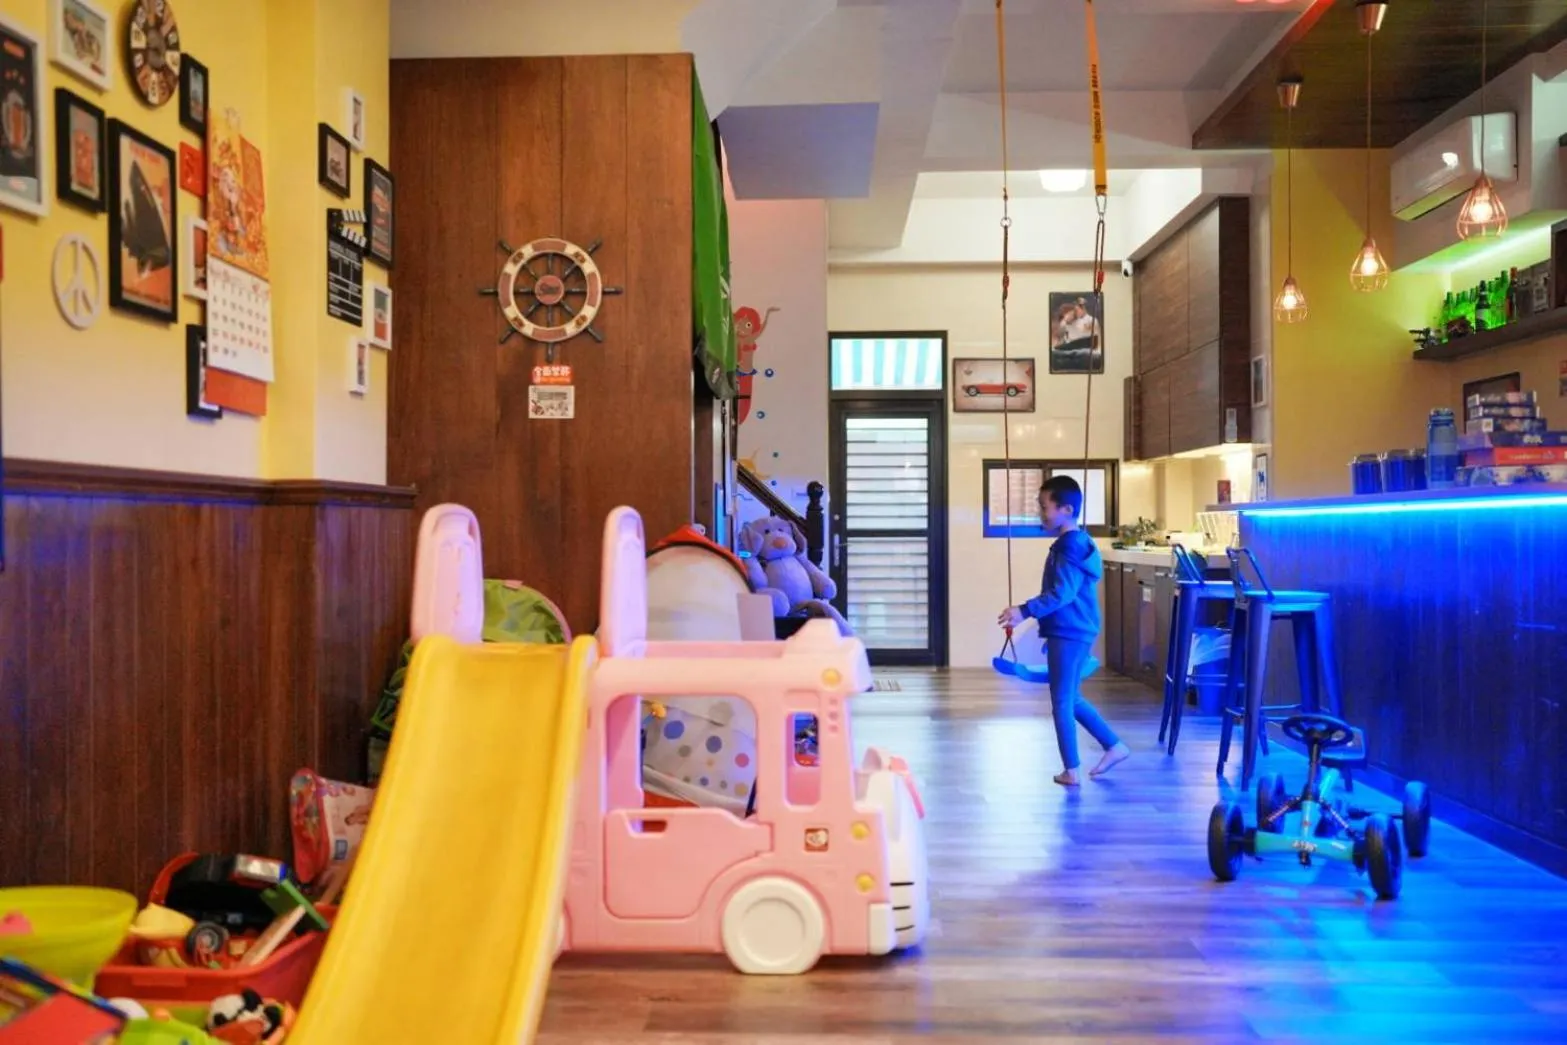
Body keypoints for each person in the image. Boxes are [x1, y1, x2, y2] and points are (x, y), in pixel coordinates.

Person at [998, 475, 1131, 786]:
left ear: (1066, 509)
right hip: (1072, 630)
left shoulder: (1070, 547)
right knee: (1070, 698)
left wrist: (1024, 611)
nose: (1040, 513)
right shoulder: (1075, 543)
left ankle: (1072, 769)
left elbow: (1062, 594)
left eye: (1045, 506)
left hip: (1071, 631)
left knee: (1061, 700)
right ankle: (1114, 746)